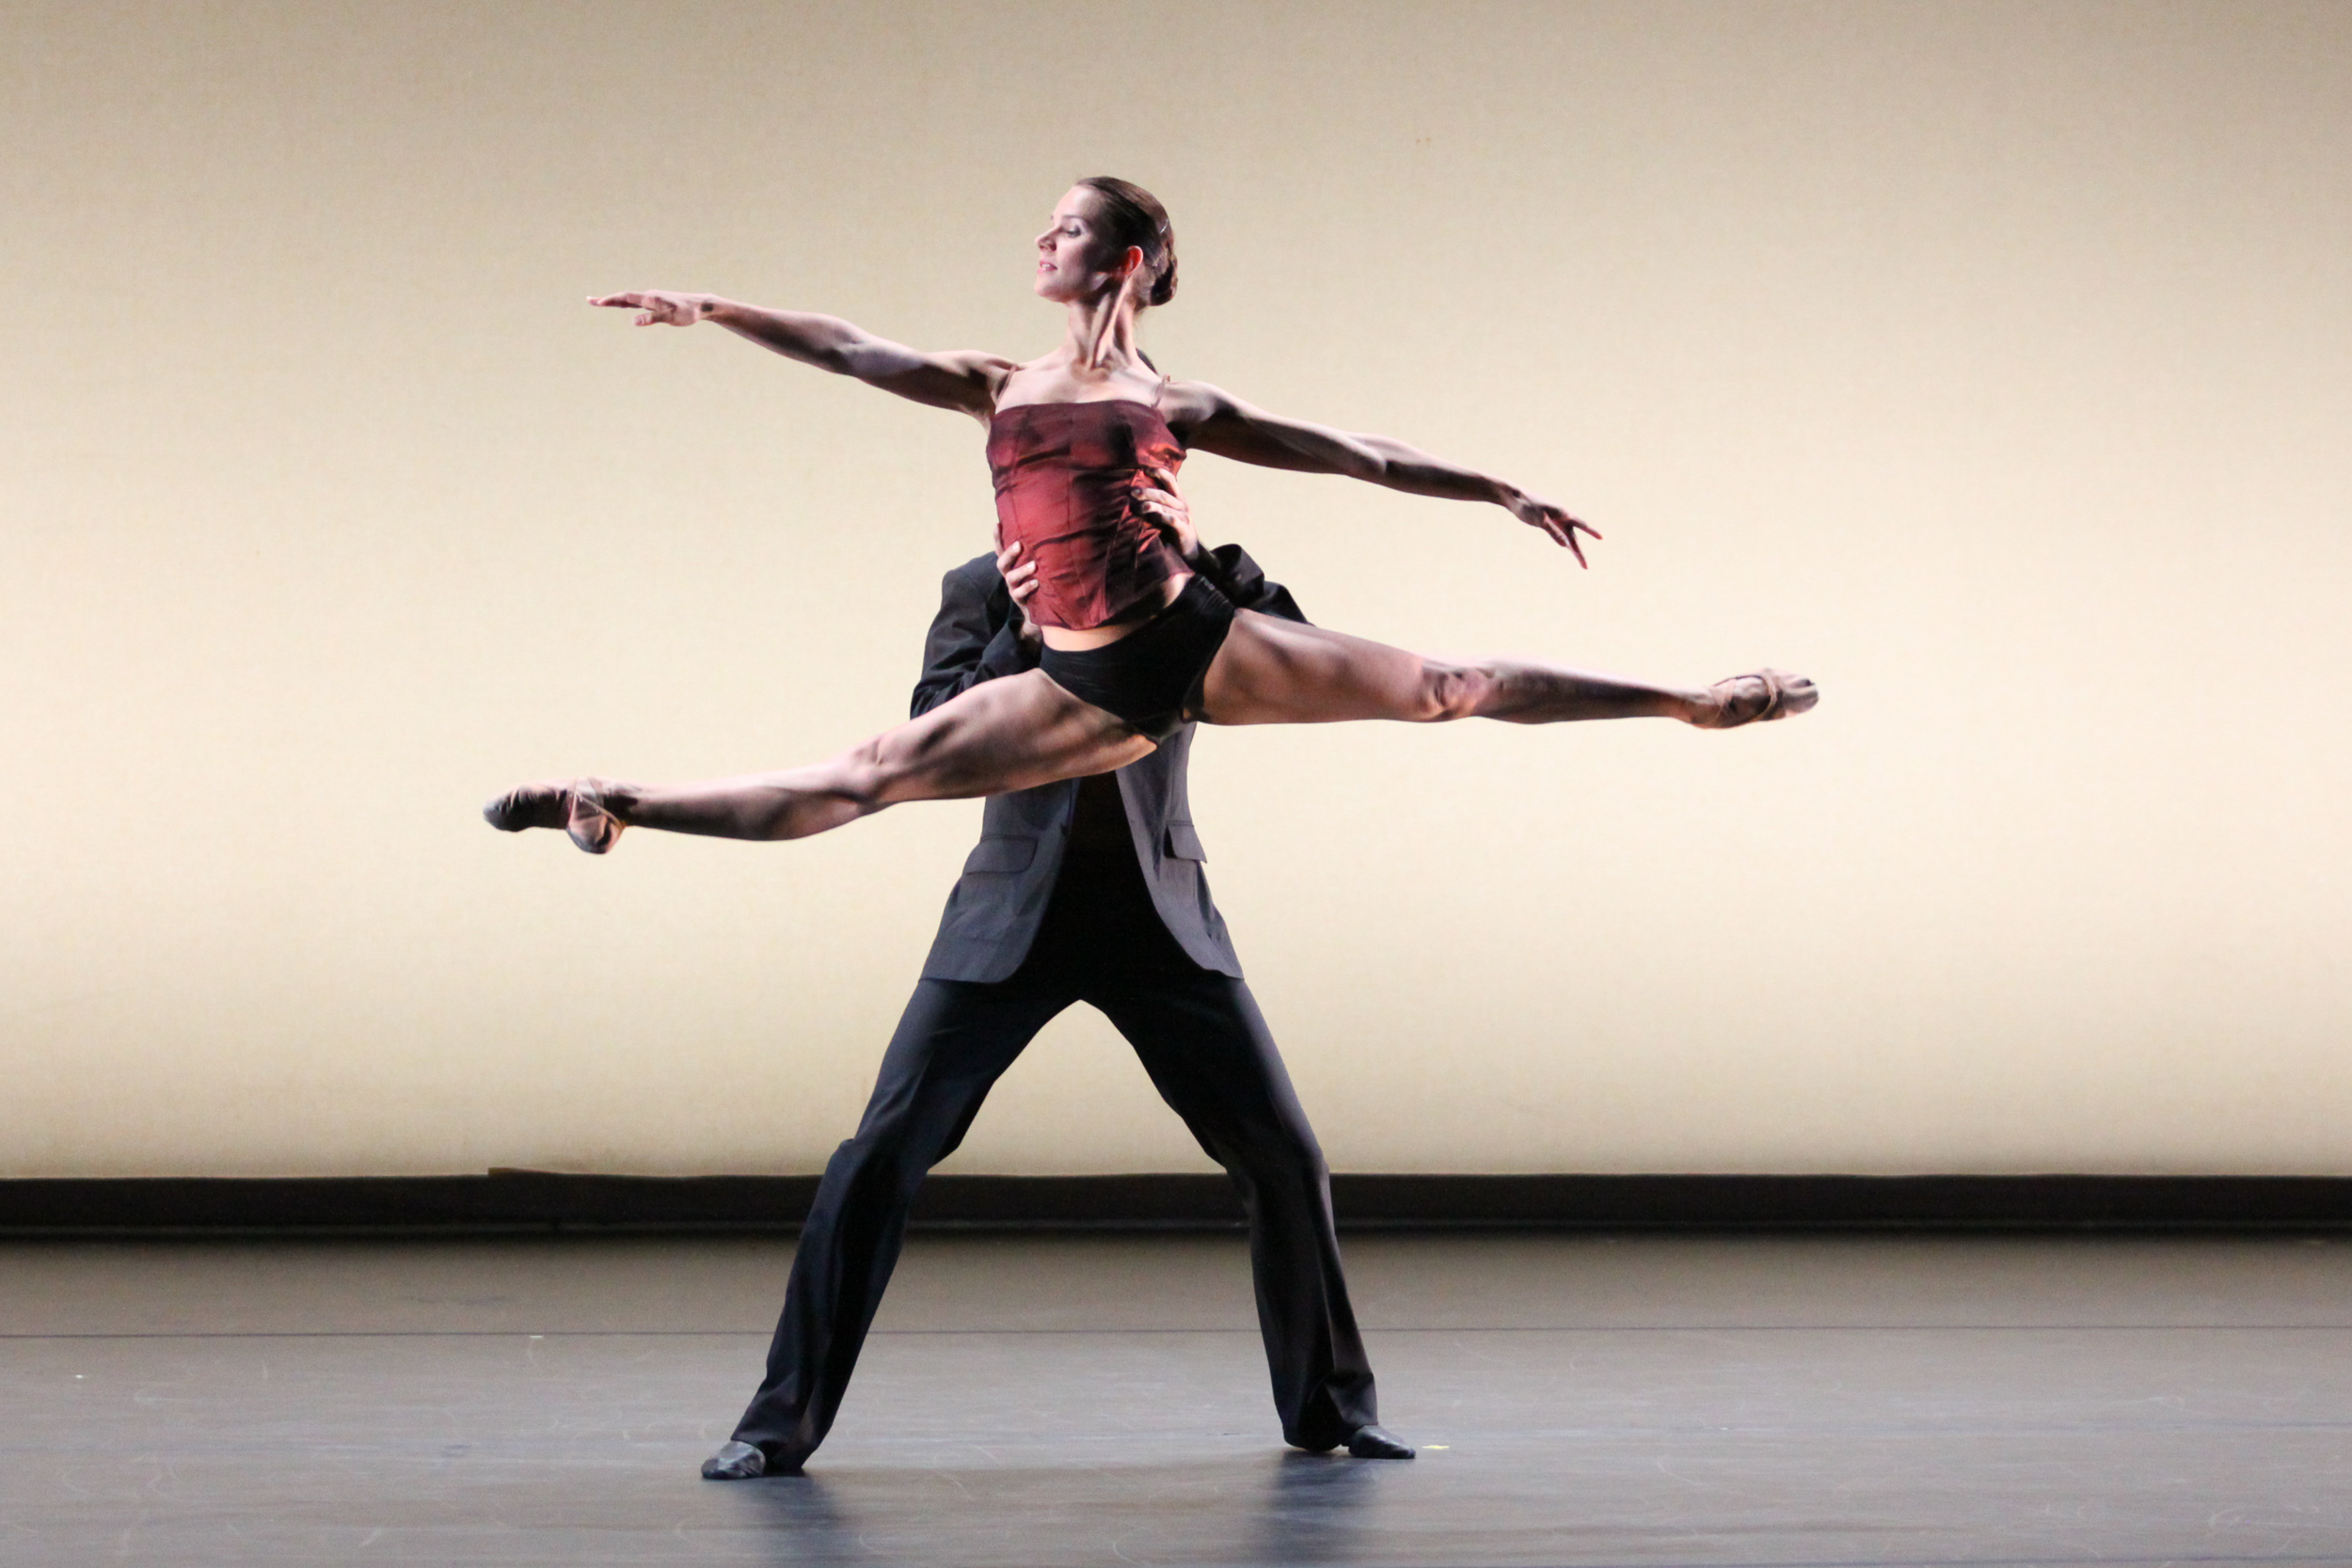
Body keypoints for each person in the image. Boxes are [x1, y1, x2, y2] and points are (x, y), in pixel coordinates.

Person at [483, 175, 1816, 857]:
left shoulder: (1177, 396)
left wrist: (1496, 487)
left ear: (1123, 257)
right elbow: (847, 347)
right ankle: (619, 798)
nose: (1041, 242)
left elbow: (1353, 451)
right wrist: (714, 309)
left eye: (1065, 228)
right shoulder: (996, 382)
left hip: (1196, 636)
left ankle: (1696, 700)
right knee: (869, 775)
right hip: (1083, 679)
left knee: (1449, 686)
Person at [698, 528, 1407, 1480]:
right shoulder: (980, 586)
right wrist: (1022, 636)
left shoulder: (1197, 578)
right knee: (878, 1156)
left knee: (1283, 1155)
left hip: (1161, 918)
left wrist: (1200, 563)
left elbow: (1308, 669)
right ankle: (776, 1424)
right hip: (1010, 921)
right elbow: (929, 736)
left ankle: (1329, 1409)